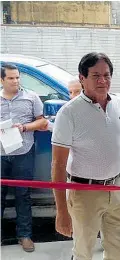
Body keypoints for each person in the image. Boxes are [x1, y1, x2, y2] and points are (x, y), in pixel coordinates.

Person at [51, 52, 120, 260]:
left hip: (117, 186)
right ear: (82, 78)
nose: (102, 80)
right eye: (96, 75)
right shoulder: (69, 113)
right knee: (83, 251)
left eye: (106, 75)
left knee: (117, 249)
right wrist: (61, 210)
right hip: (85, 192)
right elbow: (58, 164)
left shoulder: (117, 104)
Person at [1, 63, 47, 252]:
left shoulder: (31, 97)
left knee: (23, 195)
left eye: (18, 77)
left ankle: (25, 235)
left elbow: (43, 121)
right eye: (11, 78)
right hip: (1, 154)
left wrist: (25, 127)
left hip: (23, 153)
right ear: (2, 80)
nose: (15, 81)